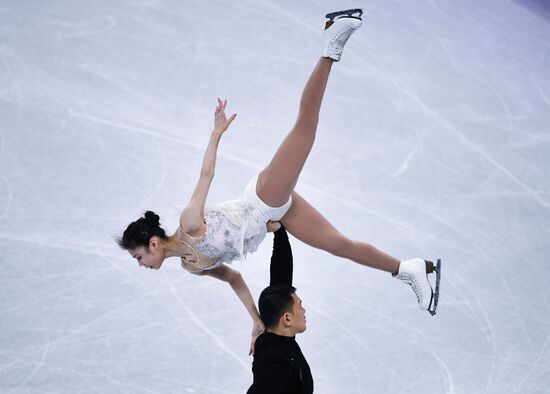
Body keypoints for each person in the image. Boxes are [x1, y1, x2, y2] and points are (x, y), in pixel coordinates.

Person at [117, 9, 441, 353]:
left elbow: (206, 175)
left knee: (305, 129)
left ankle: (330, 45)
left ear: (152, 244)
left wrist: (215, 135)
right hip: (275, 214)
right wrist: (257, 321)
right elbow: (234, 279)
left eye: (138, 257)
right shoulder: (190, 266)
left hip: (262, 199)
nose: (141, 265)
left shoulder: (188, 222)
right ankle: (408, 269)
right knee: (340, 245)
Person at [247, 225, 313, 394]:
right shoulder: (276, 366)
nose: (304, 310)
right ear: (287, 318)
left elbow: (281, 276)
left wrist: (279, 233)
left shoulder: (277, 332)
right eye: (300, 306)